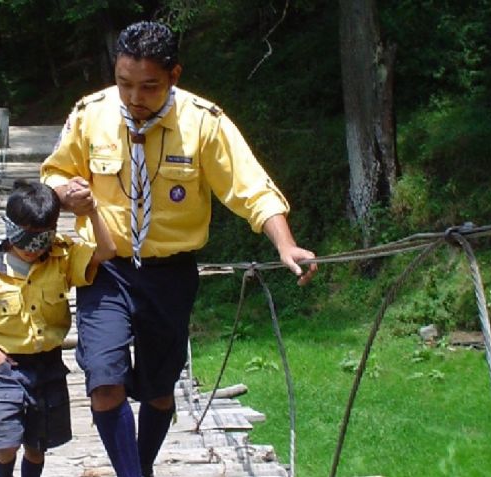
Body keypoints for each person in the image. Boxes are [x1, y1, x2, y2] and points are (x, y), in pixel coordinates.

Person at [40, 21, 317, 477]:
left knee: (159, 389)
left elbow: (251, 189)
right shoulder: (91, 113)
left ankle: (140, 466)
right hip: (103, 265)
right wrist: (62, 192)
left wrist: (285, 244)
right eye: (124, 83)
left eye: (148, 86)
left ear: (174, 75)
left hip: (170, 272)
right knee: (103, 382)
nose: (133, 97)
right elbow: (54, 170)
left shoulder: (204, 123)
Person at [0, 179, 116, 477]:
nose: (30, 250)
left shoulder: (61, 258)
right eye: (23, 240)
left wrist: (92, 211)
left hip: (49, 366)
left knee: (37, 444)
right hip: (8, 368)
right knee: (5, 442)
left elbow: (107, 251)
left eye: (39, 242)